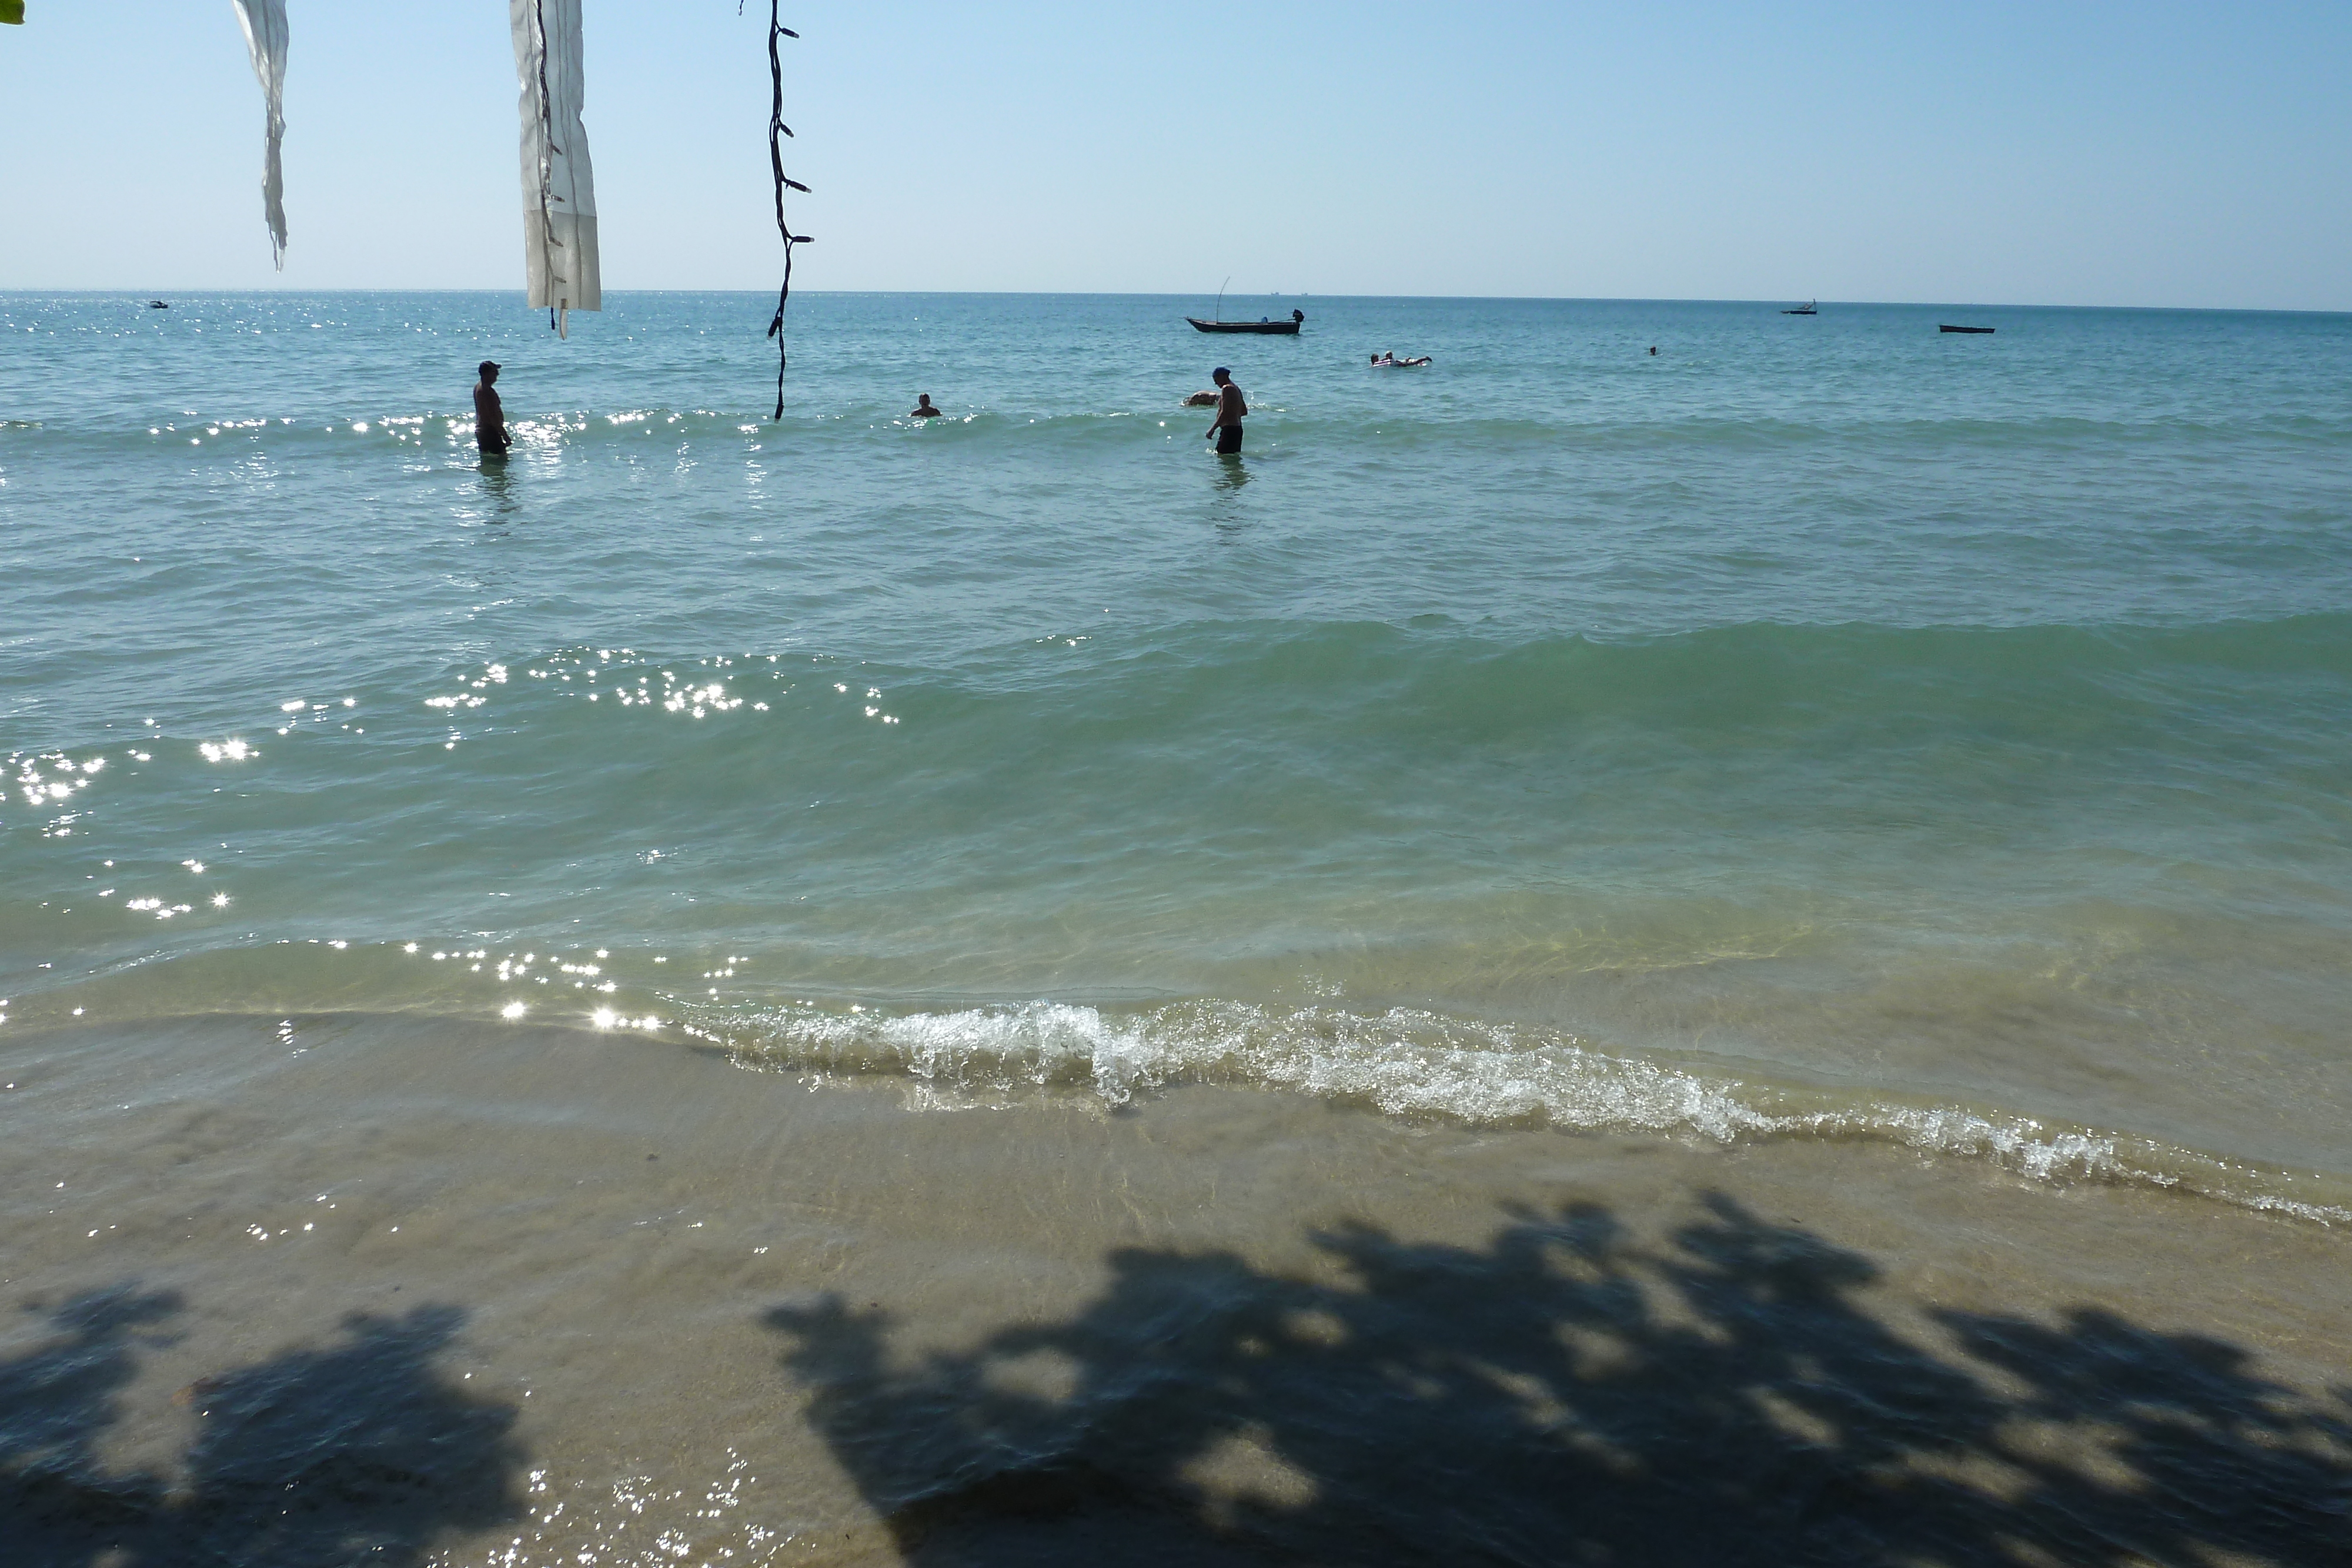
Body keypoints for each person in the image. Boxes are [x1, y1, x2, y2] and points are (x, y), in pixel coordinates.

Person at [1205, 367, 1246, 455]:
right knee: (1232, 460)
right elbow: (1244, 411)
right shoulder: (1236, 388)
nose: (1215, 383)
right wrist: (1234, 415)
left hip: (1229, 430)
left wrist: (1212, 429)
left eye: (1216, 379)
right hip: (1237, 430)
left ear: (1222, 376)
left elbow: (1224, 412)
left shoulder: (1227, 388)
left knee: (1222, 458)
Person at [473, 360, 509, 456]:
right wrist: (505, 436)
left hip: (482, 432)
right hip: (490, 432)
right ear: (486, 374)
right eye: (494, 372)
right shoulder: (487, 392)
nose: (498, 374)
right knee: (501, 464)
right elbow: (494, 418)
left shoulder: (478, 387)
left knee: (489, 465)